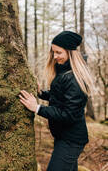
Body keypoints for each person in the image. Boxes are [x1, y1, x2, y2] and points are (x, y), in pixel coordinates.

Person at [19, 31, 94, 171]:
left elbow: (68, 114)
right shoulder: (64, 72)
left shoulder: (75, 79)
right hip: (62, 136)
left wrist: (37, 108)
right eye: (53, 52)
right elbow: (60, 98)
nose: (55, 57)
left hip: (71, 140)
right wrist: (41, 93)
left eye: (59, 52)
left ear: (70, 52)